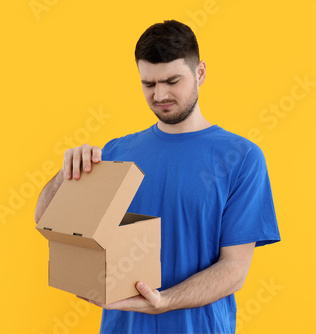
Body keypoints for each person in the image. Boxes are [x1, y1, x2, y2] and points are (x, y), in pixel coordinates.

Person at [34, 20, 280, 333]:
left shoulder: (241, 158)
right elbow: (47, 220)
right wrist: (63, 175)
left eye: (171, 81)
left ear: (200, 73)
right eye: (148, 84)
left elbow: (234, 270)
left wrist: (164, 302)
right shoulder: (116, 151)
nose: (160, 94)